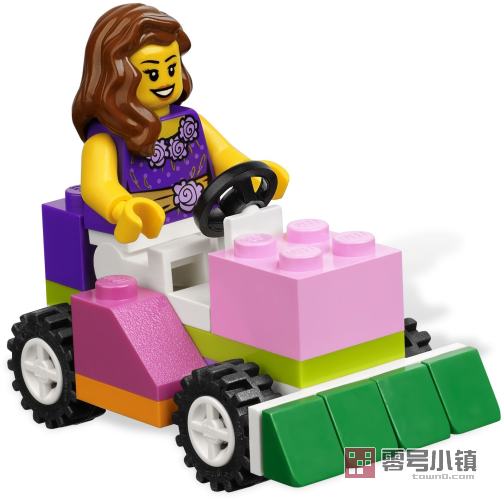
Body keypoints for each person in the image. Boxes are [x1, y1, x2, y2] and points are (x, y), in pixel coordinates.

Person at [73, 3, 289, 243]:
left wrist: (252, 172)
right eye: (152, 73)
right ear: (117, 76)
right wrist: (123, 207)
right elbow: (98, 186)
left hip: (205, 227)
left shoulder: (191, 123)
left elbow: (224, 154)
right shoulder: (105, 141)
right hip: (143, 240)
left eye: (172, 67)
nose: (165, 80)